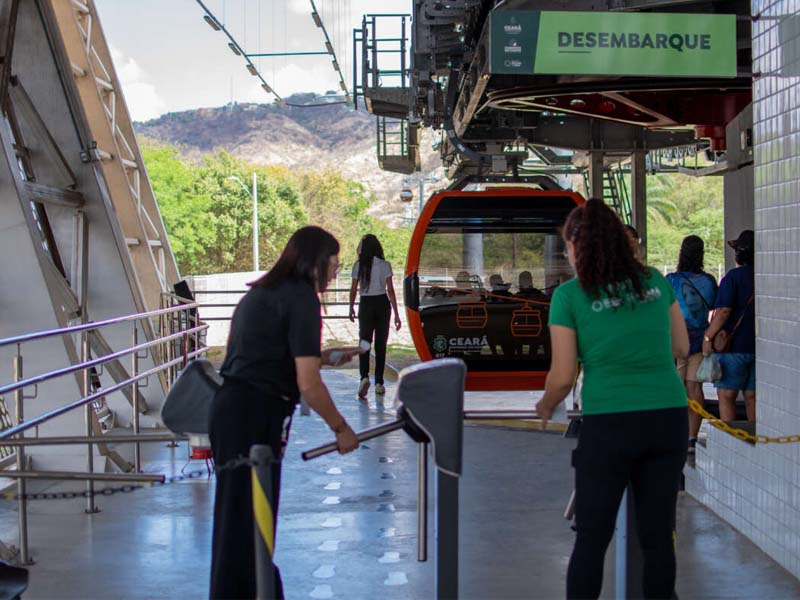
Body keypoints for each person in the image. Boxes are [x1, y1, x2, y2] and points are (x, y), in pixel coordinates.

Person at [535, 199, 689, 599]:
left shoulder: (570, 296)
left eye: (568, 246)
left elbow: (564, 375)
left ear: (578, 245)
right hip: (668, 417)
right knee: (658, 535)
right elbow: (681, 346)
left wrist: (547, 403)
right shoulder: (655, 280)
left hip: (610, 424)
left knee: (592, 537)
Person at [209, 226, 361, 599]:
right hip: (253, 418)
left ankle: (256, 590)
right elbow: (308, 384)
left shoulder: (265, 292)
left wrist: (325, 357)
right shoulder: (302, 299)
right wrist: (341, 429)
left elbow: (269, 359)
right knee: (249, 523)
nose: (335, 272)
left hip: (233, 411)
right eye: (333, 263)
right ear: (314, 262)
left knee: (240, 523)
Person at [666, 235, 718, 453]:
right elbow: (714, 306)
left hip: (676, 339)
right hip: (699, 337)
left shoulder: (671, 280)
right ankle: (691, 439)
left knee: (675, 388)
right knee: (694, 387)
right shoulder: (708, 281)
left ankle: (675, 435)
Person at [702, 230, 756, 421]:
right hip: (760, 347)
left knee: (726, 395)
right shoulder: (766, 276)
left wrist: (708, 336)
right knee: (752, 396)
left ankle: (731, 442)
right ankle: (755, 438)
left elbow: (724, 312)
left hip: (734, 347)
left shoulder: (733, 277)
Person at [348, 234, 402, 397]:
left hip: (366, 304)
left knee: (364, 342)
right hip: (382, 304)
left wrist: (350, 307)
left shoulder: (358, 265)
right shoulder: (385, 265)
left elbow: (353, 289)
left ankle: (364, 377)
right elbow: (391, 291)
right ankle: (379, 382)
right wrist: (397, 315)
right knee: (381, 344)